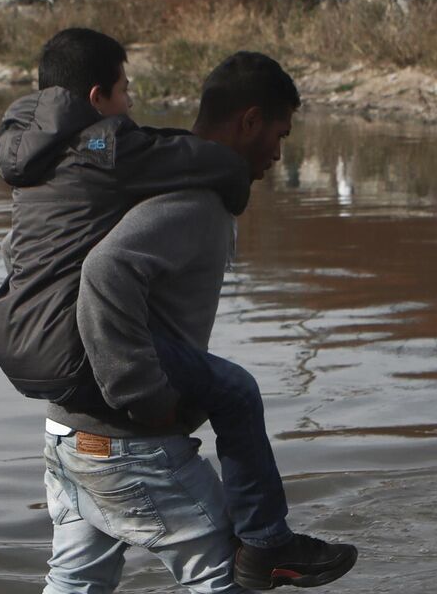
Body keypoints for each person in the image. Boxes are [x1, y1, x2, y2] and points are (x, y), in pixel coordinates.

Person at [41, 51, 358, 593]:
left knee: (75, 583)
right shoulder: (197, 200)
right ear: (250, 120)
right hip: (128, 442)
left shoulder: (149, 180)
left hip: (68, 436)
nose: (279, 155)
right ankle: (269, 545)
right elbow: (105, 271)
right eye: (278, 135)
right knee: (225, 577)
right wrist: (144, 395)